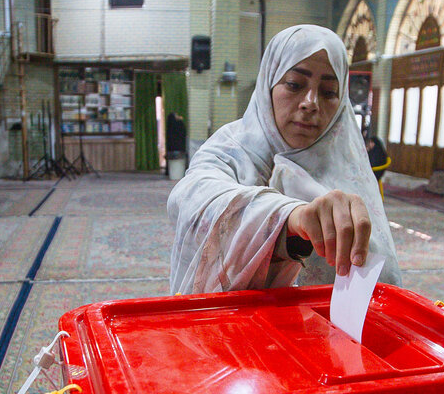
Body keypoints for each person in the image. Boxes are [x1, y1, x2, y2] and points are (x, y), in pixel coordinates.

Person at [168, 24, 399, 295]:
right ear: (268, 84)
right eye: (294, 85)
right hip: (230, 324)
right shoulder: (233, 148)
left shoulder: (347, 166)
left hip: (321, 329)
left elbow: (381, 279)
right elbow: (189, 198)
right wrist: (288, 217)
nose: (310, 103)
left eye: (328, 92)